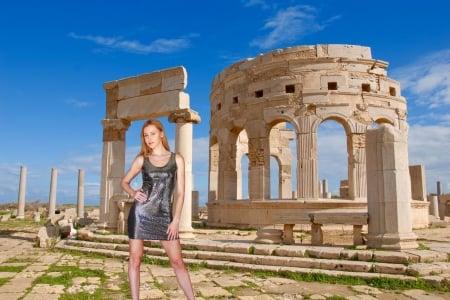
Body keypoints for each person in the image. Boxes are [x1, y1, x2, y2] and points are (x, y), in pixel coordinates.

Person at [121, 119, 196, 300]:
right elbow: (123, 181)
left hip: (164, 216)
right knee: (135, 259)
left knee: (178, 262)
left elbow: (180, 192)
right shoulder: (142, 159)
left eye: (152, 134)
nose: (149, 138)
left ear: (161, 134)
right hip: (141, 214)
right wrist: (133, 192)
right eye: (145, 135)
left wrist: (176, 219)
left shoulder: (176, 158)